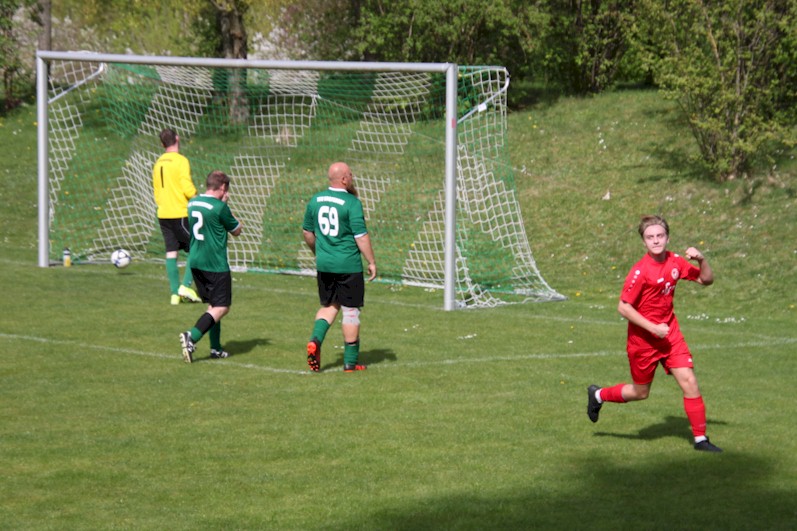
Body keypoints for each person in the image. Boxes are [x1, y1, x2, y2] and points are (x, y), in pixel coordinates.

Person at [587, 215, 722, 452]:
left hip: (670, 336)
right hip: (643, 342)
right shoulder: (640, 271)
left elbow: (706, 280)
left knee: (690, 381)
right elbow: (623, 307)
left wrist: (702, 259)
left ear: (667, 238)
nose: (656, 240)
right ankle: (598, 395)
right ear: (644, 242)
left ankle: (701, 440)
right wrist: (652, 328)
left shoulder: (675, 261)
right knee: (640, 393)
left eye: (660, 236)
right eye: (650, 237)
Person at [302, 162, 377, 373]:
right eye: (350, 174)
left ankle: (315, 340)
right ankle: (350, 363)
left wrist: (318, 252)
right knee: (351, 310)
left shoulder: (315, 200)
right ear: (344, 179)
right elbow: (360, 236)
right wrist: (371, 261)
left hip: (324, 264)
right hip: (348, 265)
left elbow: (307, 232)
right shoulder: (351, 203)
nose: (352, 178)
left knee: (329, 305)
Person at [179, 170, 243, 363]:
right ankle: (192, 336)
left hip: (196, 262)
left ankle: (215, 348)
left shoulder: (193, 203)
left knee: (213, 305)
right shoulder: (219, 207)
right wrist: (226, 206)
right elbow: (237, 230)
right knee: (222, 307)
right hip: (214, 263)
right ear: (223, 188)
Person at [152, 127, 202, 305]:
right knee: (198, 247)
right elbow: (186, 187)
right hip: (179, 212)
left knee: (171, 252)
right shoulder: (181, 161)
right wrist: (197, 199)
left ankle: (174, 294)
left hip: (163, 213)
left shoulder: (158, 163)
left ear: (162, 143)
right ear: (177, 139)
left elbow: (157, 190)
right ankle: (186, 286)